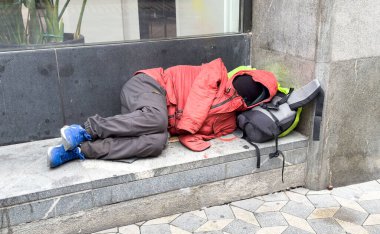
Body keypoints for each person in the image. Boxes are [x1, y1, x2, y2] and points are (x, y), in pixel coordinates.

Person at [47, 58, 278, 168]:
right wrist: (188, 127)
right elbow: (198, 102)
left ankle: (80, 151)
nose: (247, 92)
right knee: (158, 121)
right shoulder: (216, 71)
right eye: (250, 84)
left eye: (255, 94)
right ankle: (85, 130)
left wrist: (191, 137)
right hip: (149, 86)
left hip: (151, 121)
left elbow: (199, 133)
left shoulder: (228, 123)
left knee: (157, 143)